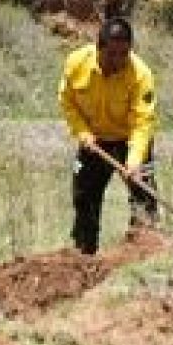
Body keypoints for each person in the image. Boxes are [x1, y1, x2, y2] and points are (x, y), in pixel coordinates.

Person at [58, 16, 159, 255]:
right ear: (98, 47)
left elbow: (143, 123)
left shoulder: (141, 75)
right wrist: (82, 132)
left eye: (124, 53)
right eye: (111, 54)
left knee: (144, 197)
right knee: (84, 198)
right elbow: (67, 102)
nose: (118, 60)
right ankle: (85, 254)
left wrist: (134, 162)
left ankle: (142, 255)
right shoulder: (76, 63)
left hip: (131, 141)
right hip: (93, 140)